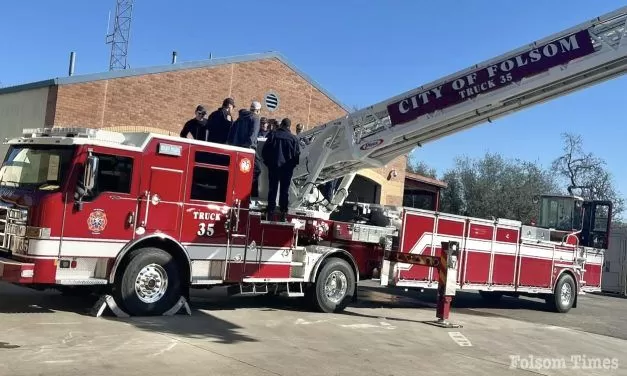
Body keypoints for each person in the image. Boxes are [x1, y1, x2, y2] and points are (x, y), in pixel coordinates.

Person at [261, 118, 301, 221]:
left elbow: (264, 151)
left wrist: (268, 163)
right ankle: (283, 212)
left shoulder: (273, 135)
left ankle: (271, 210)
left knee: (272, 189)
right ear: (289, 126)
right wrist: (291, 166)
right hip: (287, 169)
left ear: (282, 125)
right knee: (284, 190)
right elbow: (296, 156)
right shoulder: (293, 139)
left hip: (274, 166)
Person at [227, 101, 262, 196]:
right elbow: (253, 136)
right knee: (257, 169)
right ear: (258, 111)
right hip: (248, 150)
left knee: (238, 171)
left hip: (236, 149)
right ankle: (247, 193)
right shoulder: (255, 118)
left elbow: (231, 133)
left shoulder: (240, 118)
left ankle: (235, 191)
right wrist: (248, 148)